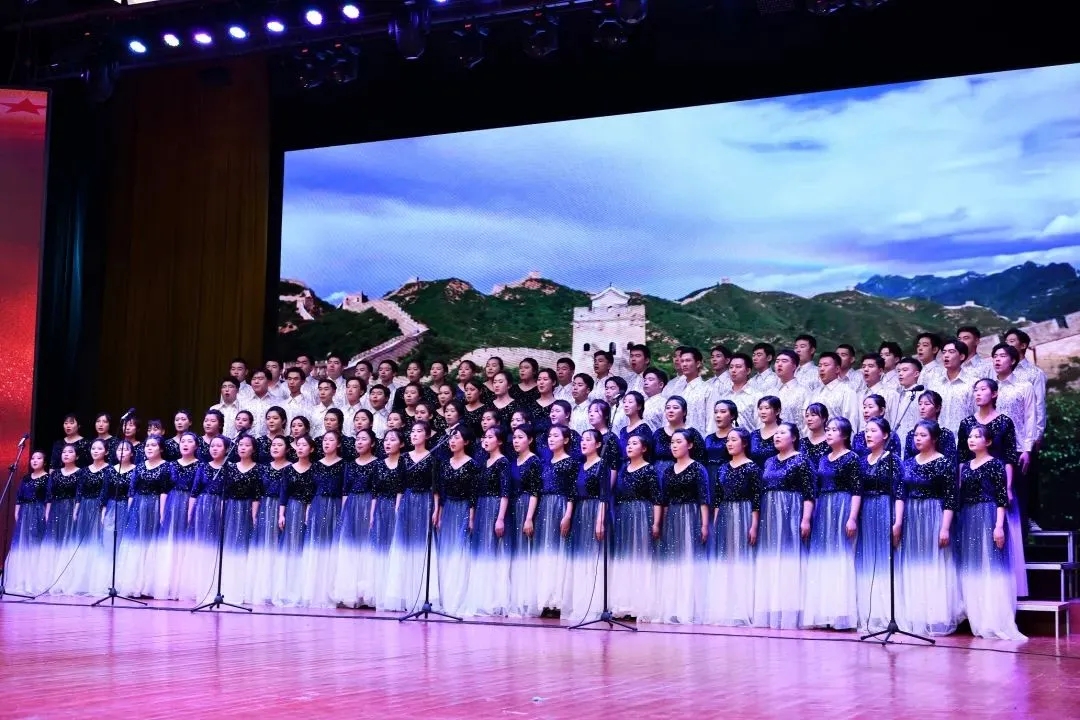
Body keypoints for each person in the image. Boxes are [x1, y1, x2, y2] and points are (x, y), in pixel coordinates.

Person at [956, 425, 1026, 640]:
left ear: (987, 442)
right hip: (968, 518)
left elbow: (1000, 498)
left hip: (988, 515)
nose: (972, 439)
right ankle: (977, 618)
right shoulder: (965, 467)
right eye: (970, 436)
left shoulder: (995, 465)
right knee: (973, 567)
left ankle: (995, 619)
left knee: (992, 566)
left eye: (977, 436)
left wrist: (998, 526)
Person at [896, 421, 961, 636]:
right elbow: (900, 495)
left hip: (933, 514)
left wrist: (944, 528)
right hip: (911, 517)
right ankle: (916, 614)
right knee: (913, 563)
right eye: (915, 435)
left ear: (933, 439)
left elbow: (951, 498)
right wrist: (897, 522)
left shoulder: (943, 463)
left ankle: (935, 615)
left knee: (934, 561)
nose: (917, 438)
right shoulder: (906, 463)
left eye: (923, 435)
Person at [753, 422, 814, 630]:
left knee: (789, 559)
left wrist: (805, 519)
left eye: (782, 433)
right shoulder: (769, 461)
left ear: (794, 437)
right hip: (770, 513)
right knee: (771, 559)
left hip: (791, 511)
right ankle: (772, 609)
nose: (777, 436)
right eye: (775, 433)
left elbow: (809, 493)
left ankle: (791, 611)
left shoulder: (802, 459)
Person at [802, 417, 862, 630]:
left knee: (841, 555)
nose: (828, 433)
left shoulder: (852, 458)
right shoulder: (823, 458)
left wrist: (852, 517)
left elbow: (857, 490)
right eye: (827, 429)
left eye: (834, 430)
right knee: (823, 557)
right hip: (824, 509)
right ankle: (823, 610)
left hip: (842, 506)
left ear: (844, 435)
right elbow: (817, 489)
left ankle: (841, 613)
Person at [653, 429, 710, 624]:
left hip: (691, 515)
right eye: (672, 442)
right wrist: (660, 523)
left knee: (689, 559)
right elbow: (665, 500)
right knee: (673, 561)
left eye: (678, 442)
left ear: (690, 445)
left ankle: (690, 608)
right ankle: (672, 606)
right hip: (673, 517)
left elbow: (704, 498)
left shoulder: (698, 468)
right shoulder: (668, 470)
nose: (674, 446)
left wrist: (704, 525)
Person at [706, 428, 760, 627]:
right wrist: (715, 522)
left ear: (744, 443)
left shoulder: (752, 468)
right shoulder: (722, 468)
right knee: (726, 559)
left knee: (742, 558)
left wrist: (754, 525)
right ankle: (726, 606)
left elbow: (756, 499)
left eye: (733, 440)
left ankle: (743, 607)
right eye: (727, 440)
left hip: (744, 512)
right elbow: (718, 499)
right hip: (726, 514)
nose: (729, 443)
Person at [855, 417, 902, 634]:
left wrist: (897, 522)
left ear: (885, 435)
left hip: (885, 507)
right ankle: (869, 613)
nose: (868, 434)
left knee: (885, 560)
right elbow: (857, 491)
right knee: (868, 560)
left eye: (873, 430)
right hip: (867, 511)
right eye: (866, 430)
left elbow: (900, 493)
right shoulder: (863, 461)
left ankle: (887, 613)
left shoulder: (892, 460)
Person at [609, 435, 661, 620]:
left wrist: (655, 523)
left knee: (641, 556)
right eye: (628, 444)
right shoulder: (623, 469)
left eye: (635, 443)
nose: (629, 446)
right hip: (624, 514)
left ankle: (641, 604)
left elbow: (656, 498)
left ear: (644, 448)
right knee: (625, 557)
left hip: (641, 513)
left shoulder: (649, 470)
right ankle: (624, 602)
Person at [532, 425, 579, 616]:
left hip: (560, 506)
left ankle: (558, 601)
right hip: (544, 507)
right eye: (549, 435)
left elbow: (572, 492)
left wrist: (567, 515)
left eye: (556, 436)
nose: (551, 439)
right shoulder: (544, 463)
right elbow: (536, 490)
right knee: (545, 552)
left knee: (560, 552)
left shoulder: (571, 463)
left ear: (566, 440)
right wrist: (529, 517)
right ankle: (545, 599)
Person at [466, 427, 513, 617]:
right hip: (482, 508)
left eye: (490, 437)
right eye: (484, 436)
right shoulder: (482, 463)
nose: (486, 439)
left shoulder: (503, 462)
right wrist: (471, 516)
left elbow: (505, 491)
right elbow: (475, 492)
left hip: (494, 508)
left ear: (500, 441)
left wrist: (500, 518)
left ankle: (495, 599)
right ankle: (481, 597)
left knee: (494, 551)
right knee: (482, 552)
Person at [329, 430, 378, 609]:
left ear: (372, 443)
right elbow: (345, 490)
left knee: (366, 547)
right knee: (349, 548)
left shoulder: (376, 464)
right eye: (357, 439)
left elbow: (376, 491)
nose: (359, 442)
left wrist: (373, 513)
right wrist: (344, 512)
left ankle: (367, 593)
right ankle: (350, 592)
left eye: (364, 439)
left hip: (368, 504)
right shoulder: (350, 464)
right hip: (351, 505)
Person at [436, 426, 480, 616]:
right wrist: (438, 512)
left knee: (460, 552)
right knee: (445, 551)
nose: (452, 441)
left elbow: (473, 494)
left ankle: (458, 597)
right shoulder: (445, 464)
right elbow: (442, 491)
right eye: (451, 438)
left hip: (463, 509)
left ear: (467, 442)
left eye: (457, 438)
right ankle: (444, 596)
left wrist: (471, 517)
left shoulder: (472, 465)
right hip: (448, 510)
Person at [7, 451, 50, 595]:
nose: (35, 461)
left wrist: (46, 515)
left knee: (35, 544)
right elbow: (19, 497)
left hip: (38, 512)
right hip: (25, 513)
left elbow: (48, 499)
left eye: (39, 458)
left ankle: (34, 581)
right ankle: (21, 580)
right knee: (23, 545)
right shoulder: (25, 478)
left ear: (44, 462)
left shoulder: (47, 478)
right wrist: (16, 513)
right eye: (33, 458)